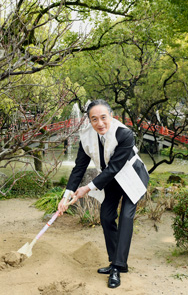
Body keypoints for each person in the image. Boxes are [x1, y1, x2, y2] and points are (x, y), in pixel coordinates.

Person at [58, 99, 149, 289]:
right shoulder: (86, 137)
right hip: (111, 179)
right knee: (106, 217)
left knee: (125, 217)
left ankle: (117, 267)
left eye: (103, 118)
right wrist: (66, 197)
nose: (100, 123)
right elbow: (79, 168)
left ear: (111, 116)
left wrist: (87, 188)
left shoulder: (124, 134)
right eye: (94, 119)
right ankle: (114, 260)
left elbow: (115, 166)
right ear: (89, 121)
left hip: (132, 176)